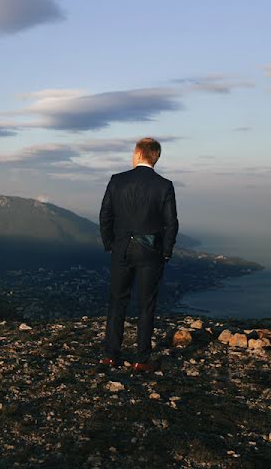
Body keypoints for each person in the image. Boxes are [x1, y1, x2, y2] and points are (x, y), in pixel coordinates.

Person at [98, 137, 179, 373]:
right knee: (146, 305)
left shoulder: (117, 181)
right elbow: (171, 223)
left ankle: (111, 355)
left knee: (117, 302)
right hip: (151, 251)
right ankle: (141, 360)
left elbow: (105, 216)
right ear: (156, 157)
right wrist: (165, 252)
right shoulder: (165, 185)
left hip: (121, 249)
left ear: (138, 154)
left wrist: (110, 244)